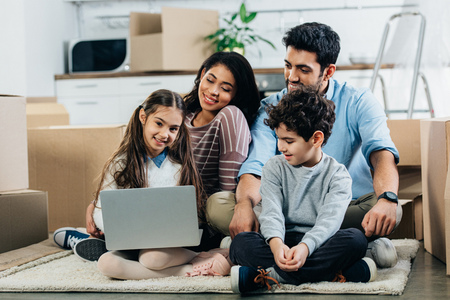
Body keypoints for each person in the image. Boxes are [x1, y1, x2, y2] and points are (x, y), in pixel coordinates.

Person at [220, 22, 401, 269]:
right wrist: (243, 206)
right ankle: (346, 259)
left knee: (391, 208)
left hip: (343, 207)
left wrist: (388, 199)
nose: (291, 77)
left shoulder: (359, 100)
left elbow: (382, 155)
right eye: (288, 66)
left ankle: (272, 265)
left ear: (328, 71)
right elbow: (255, 166)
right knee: (219, 206)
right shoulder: (271, 107)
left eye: (303, 69)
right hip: (284, 212)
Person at [63, 89, 232, 279]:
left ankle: (201, 255)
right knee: (106, 264)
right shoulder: (120, 163)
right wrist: (112, 227)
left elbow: (184, 216)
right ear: (143, 117)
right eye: (159, 123)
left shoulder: (178, 165)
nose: (164, 134)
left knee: (153, 258)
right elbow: (101, 209)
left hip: (168, 247)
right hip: (131, 242)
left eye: (173, 128)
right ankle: (200, 264)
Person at [230, 88, 377, 293]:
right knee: (240, 243)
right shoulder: (274, 167)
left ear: (316, 139)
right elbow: (271, 213)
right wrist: (276, 246)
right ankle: (334, 274)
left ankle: (269, 276)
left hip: (319, 243)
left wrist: (305, 248)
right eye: (278, 138)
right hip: (281, 241)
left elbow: (329, 223)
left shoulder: (338, 175)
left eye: (289, 141)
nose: (281, 146)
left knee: (355, 240)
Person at [183, 51, 260, 240]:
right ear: (202, 75)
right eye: (210, 80)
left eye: (225, 88)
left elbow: (227, 196)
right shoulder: (183, 115)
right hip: (175, 210)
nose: (213, 91)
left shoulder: (230, 117)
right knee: (112, 262)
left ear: (236, 94)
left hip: (210, 218)